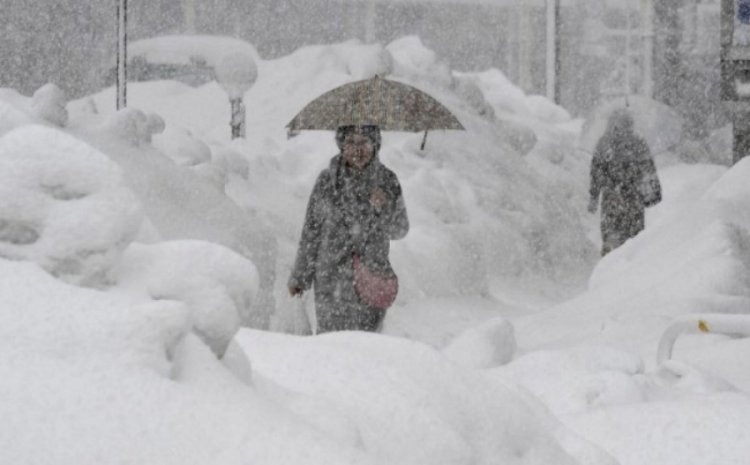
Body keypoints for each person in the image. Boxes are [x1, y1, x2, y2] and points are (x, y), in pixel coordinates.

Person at [288, 124, 409, 332]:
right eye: (351, 142)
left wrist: (384, 209)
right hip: (331, 281)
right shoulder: (327, 181)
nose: (357, 149)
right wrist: (300, 277)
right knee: (331, 347)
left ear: (375, 144)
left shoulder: (388, 181)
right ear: (341, 145)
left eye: (364, 142)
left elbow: (400, 229)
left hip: (371, 278)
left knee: (367, 349)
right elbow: (311, 231)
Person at [588, 109, 661, 256]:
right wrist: (653, 194)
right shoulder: (639, 143)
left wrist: (594, 197)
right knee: (635, 239)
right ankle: (631, 268)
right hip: (634, 199)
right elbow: (648, 171)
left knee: (611, 235)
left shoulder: (604, 143)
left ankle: (609, 266)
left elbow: (596, 173)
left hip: (611, 199)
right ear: (631, 124)